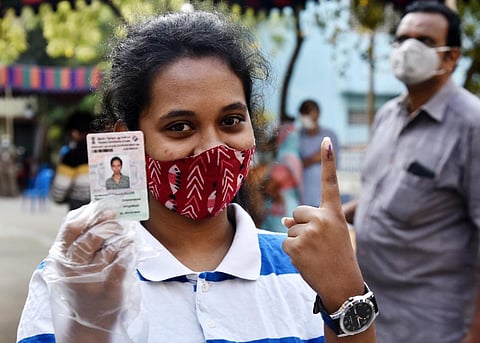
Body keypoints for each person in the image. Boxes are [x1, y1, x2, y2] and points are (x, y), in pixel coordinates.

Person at [17, 10, 378, 343]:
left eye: (231, 121)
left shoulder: (303, 271)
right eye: (180, 126)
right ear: (129, 140)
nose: (212, 147)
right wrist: (86, 326)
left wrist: (347, 296)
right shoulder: (78, 278)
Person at [343, 2, 480, 343]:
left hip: (436, 325)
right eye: (402, 38)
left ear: (451, 58)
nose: (409, 49)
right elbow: (385, 194)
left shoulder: (471, 126)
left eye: (424, 40)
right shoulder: (388, 115)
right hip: (373, 315)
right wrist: (334, 215)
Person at [260, 119, 303, 232]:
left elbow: (270, 187)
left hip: (281, 210)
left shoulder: (285, 159)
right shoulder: (294, 158)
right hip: (290, 206)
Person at [298, 99, 340, 207]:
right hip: (302, 196)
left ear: (318, 113)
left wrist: (309, 160)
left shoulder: (330, 135)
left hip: (325, 195)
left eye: (310, 112)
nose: (307, 116)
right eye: (304, 113)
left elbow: (332, 161)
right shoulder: (297, 137)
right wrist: (316, 157)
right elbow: (295, 164)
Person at [51, 110, 94, 210]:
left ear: (74, 132)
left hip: (79, 214)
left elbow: (58, 194)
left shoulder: (71, 156)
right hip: (109, 216)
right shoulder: (110, 152)